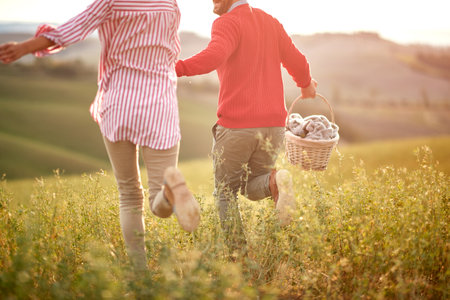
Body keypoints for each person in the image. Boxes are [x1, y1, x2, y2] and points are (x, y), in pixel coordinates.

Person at [0, 0, 200, 270]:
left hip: (119, 101)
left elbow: (70, 30)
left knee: (129, 194)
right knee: (156, 198)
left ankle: (138, 274)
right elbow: (171, 49)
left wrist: (23, 47)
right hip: (159, 103)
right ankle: (169, 194)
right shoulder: (169, 2)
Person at [175, 0, 317, 252]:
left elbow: (214, 56)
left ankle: (238, 255)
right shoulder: (270, 22)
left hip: (237, 127)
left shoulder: (227, 23)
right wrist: (305, 84)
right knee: (251, 185)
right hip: (273, 127)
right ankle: (275, 182)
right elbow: (296, 59)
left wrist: (175, 68)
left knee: (225, 192)